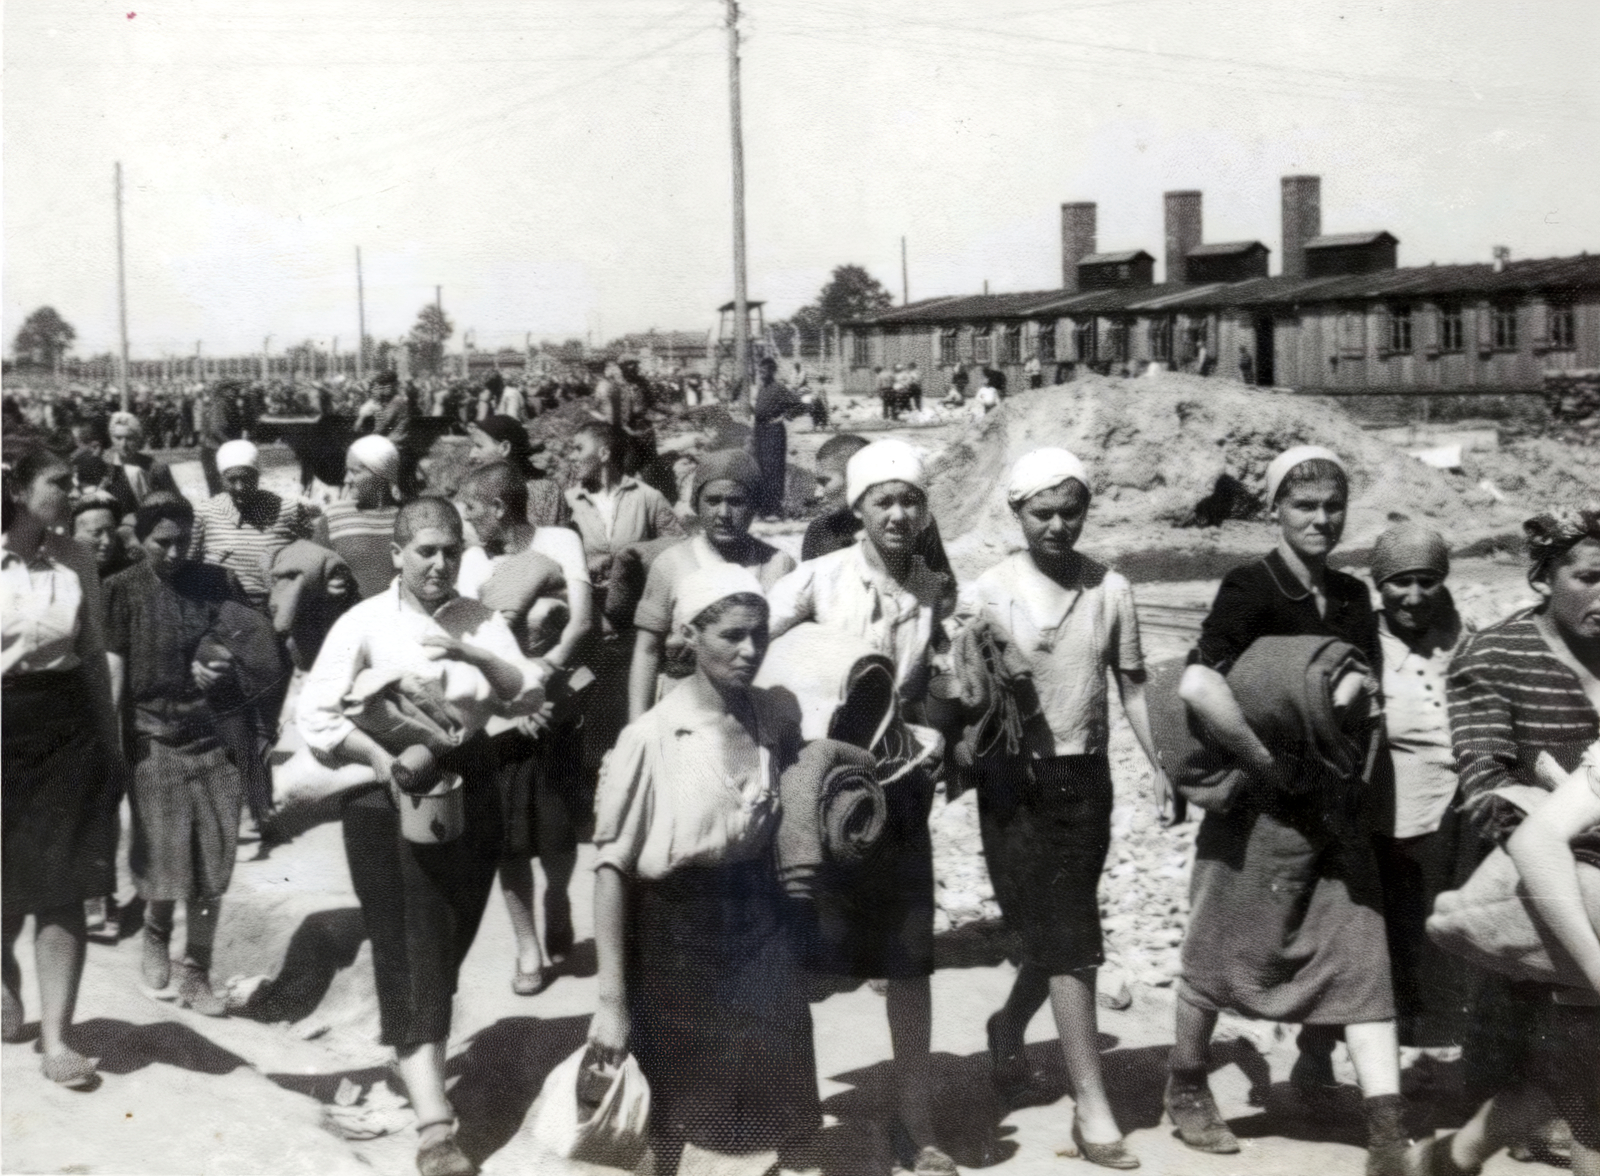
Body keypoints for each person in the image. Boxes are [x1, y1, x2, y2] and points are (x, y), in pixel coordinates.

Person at [1169, 446, 1406, 1174]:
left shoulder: (1353, 595)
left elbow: (1367, 688)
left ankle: (1388, 1134)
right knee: (1219, 951)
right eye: (1305, 506)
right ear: (1275, 510)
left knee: (1362, 951)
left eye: (1333, 506)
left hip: (1332, 802)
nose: (1321, 519)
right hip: (1259, 806)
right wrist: (1264, 764)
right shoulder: (1251, 586)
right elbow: (1199, 685)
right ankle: (1184, 1087)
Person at [296, 498, 547, 1176]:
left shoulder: (480, 618)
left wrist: (470, 652)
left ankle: (411, 1044)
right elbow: (316, 718)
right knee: (418, 940)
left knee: (453, 933)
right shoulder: (364, 622)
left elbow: (523, 695)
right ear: (399, 553)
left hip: (472, 785)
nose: (439, 564)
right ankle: (437, 1126)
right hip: (389, 796)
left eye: (450, 551)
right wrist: (381, 762)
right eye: (426, 551)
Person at [963, 449, 1167, 1170]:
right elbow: (967, 695)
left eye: (1070, 510)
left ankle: (1008, 1026)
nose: (1057, 524)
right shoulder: (988, 590)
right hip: (1012, 784)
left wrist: (1161, 764)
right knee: (1062, 932)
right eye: (1041, 512)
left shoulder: (1110, 587)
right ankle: (1092, 1108)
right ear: (1017, 513)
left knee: (1063, 928)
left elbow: (1134, 687)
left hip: (1085, 778)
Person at [588, 565, 820, 1176]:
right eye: (732, 636)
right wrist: (611, 1002)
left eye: (760, 635)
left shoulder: (770, 719)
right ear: (691, 635)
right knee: (680, 1113)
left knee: (779, 1095)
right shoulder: (651, 736)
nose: (750, 651)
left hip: (758, 914)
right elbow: (610, 868)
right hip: (674, 929)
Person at [767, 439, 958, 1176]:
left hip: (897, 791)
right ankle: (792, 1120)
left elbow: (937, 676)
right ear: (857, 510)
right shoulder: (817, 578)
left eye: (910, 500)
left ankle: (916, 1121)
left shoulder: (933, 588)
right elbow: (753, 643)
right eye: (884, 501)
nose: (899, 514)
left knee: (908, 960)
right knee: (803, 958)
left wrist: (937, 728)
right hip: (819, 793)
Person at [1444, 503, 1600, 1169]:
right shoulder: (1495, 655)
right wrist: (1560, 803)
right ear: (1544, 577)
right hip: (1545, 889)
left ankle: (1448, 1158)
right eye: (1590, 577)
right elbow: (1483, 790)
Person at [2, 445, 125, 1091]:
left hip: (63, 730)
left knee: (63, 883)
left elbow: (95, 655)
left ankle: (58, 1039)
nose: (71, 493)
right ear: (20, 491)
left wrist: (112, 749)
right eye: (58, 483)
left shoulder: (76, 558)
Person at [105, 499, 250, 1017]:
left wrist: (225, 667)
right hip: (153, 737)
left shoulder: (216, 582)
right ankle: (154, 934)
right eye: (161, 541)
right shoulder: (120, 591)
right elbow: (115, 672)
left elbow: (254, 647)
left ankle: (198, 970)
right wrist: (110, 747)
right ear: (137, 539)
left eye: (182, 540)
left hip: (215, 740)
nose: (173, 551)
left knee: (214, 863)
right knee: (167, 855)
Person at [456, 461, 595, 993]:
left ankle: (557, 895)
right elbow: (473, 639)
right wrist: (515, 693)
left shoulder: (560, 541)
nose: (468, 524)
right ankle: (527, 947)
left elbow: (581, 621)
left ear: (497, 509)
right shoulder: (471, 562)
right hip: (500, 714)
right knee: (507, 841)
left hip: (558, 699)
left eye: (472, 511)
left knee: (559, 830)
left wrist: (541, 677)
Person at [1367, 524, 1473, 1050]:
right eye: (1400, 582)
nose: (1414, 596)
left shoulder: (1461, 636)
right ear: (1379, 587)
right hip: (1395, 818)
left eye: (1427, 582)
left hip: (1464, 813)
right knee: (1393, 945)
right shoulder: (1363, 644)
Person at [628, 449, 795, 719]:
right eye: (713, 500)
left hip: (756, 709)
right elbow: (646, 651)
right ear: (697, 503)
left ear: (754, 505)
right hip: (681, 707)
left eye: (737, 501)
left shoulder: (777, 564)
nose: (724, 513)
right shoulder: (671, 564)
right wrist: (636, 728)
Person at [801, 434, 952, 577]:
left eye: (824, 481)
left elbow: (942, 589)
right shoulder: (821, 531)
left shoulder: (916, 522)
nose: (818, 493)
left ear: (853, 476)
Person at [190, 440, 315, 609]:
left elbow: (312, 556)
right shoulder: (205, 512)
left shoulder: (288, 509)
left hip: (276, 607)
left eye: (247, 478)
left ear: (258, 475)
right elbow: (189, 563)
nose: (240, 487)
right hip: (222, 609)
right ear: (221, 479)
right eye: (232, 479)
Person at [313, 435, 406, 600]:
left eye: (355, 472)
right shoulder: (334, 517)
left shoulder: (409, 517)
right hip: (349, 617)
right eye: (347, 470)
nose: (346, 479)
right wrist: (324, 583)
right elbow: (312, 568)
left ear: (380, 475)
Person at [467, 414, 570, 529]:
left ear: (505, 448)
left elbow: (553, 541)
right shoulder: (476, 491)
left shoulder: (543, 492)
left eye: (479, 446)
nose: (471, 455)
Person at [752, 356, 810, 522]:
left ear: (772, 371)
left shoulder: (779, 388)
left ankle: (774, 511)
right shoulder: (762, 388)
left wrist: (784, 416)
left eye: (764, 370)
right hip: (761, 432)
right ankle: (763, 510)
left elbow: (801, 405)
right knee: (761, 470)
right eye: (760, 370)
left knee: (773, 471)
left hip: (774, 433)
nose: (761, 373)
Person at [103, 411, 180, 522]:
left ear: (138, 439)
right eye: (118, 438)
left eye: (129, 438)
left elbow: (176, 503)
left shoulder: (155, 468)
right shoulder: (106, 466)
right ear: (111, 438)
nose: (123, 444)